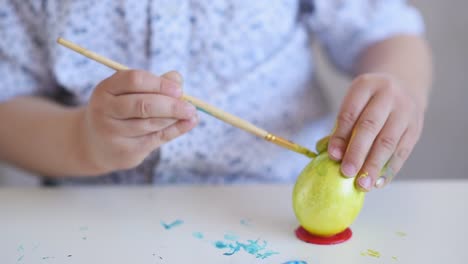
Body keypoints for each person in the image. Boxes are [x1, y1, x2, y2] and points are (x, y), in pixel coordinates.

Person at [0, 0, 432, 190]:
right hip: (96, 220)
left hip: (275, 205)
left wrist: (401, 87)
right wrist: (84, 141)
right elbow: (7, 105)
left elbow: (386, 32)